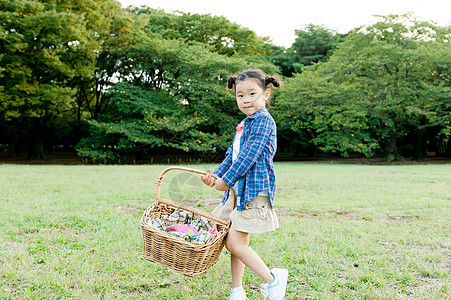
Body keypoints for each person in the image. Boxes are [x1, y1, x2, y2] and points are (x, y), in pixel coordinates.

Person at [201, 69, 288, 300]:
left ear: (266, 93)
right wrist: (216, 176)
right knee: (238, 240)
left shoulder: (264, 122)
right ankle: (237, 290)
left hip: (253, 191)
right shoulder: (245, 124)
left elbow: (247, 157)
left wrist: (225, 181)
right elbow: (232, 155)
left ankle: (273, 279)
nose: (246, 99)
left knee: (234, 243)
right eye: (240, 95)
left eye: (252, 93)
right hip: (238, 190)